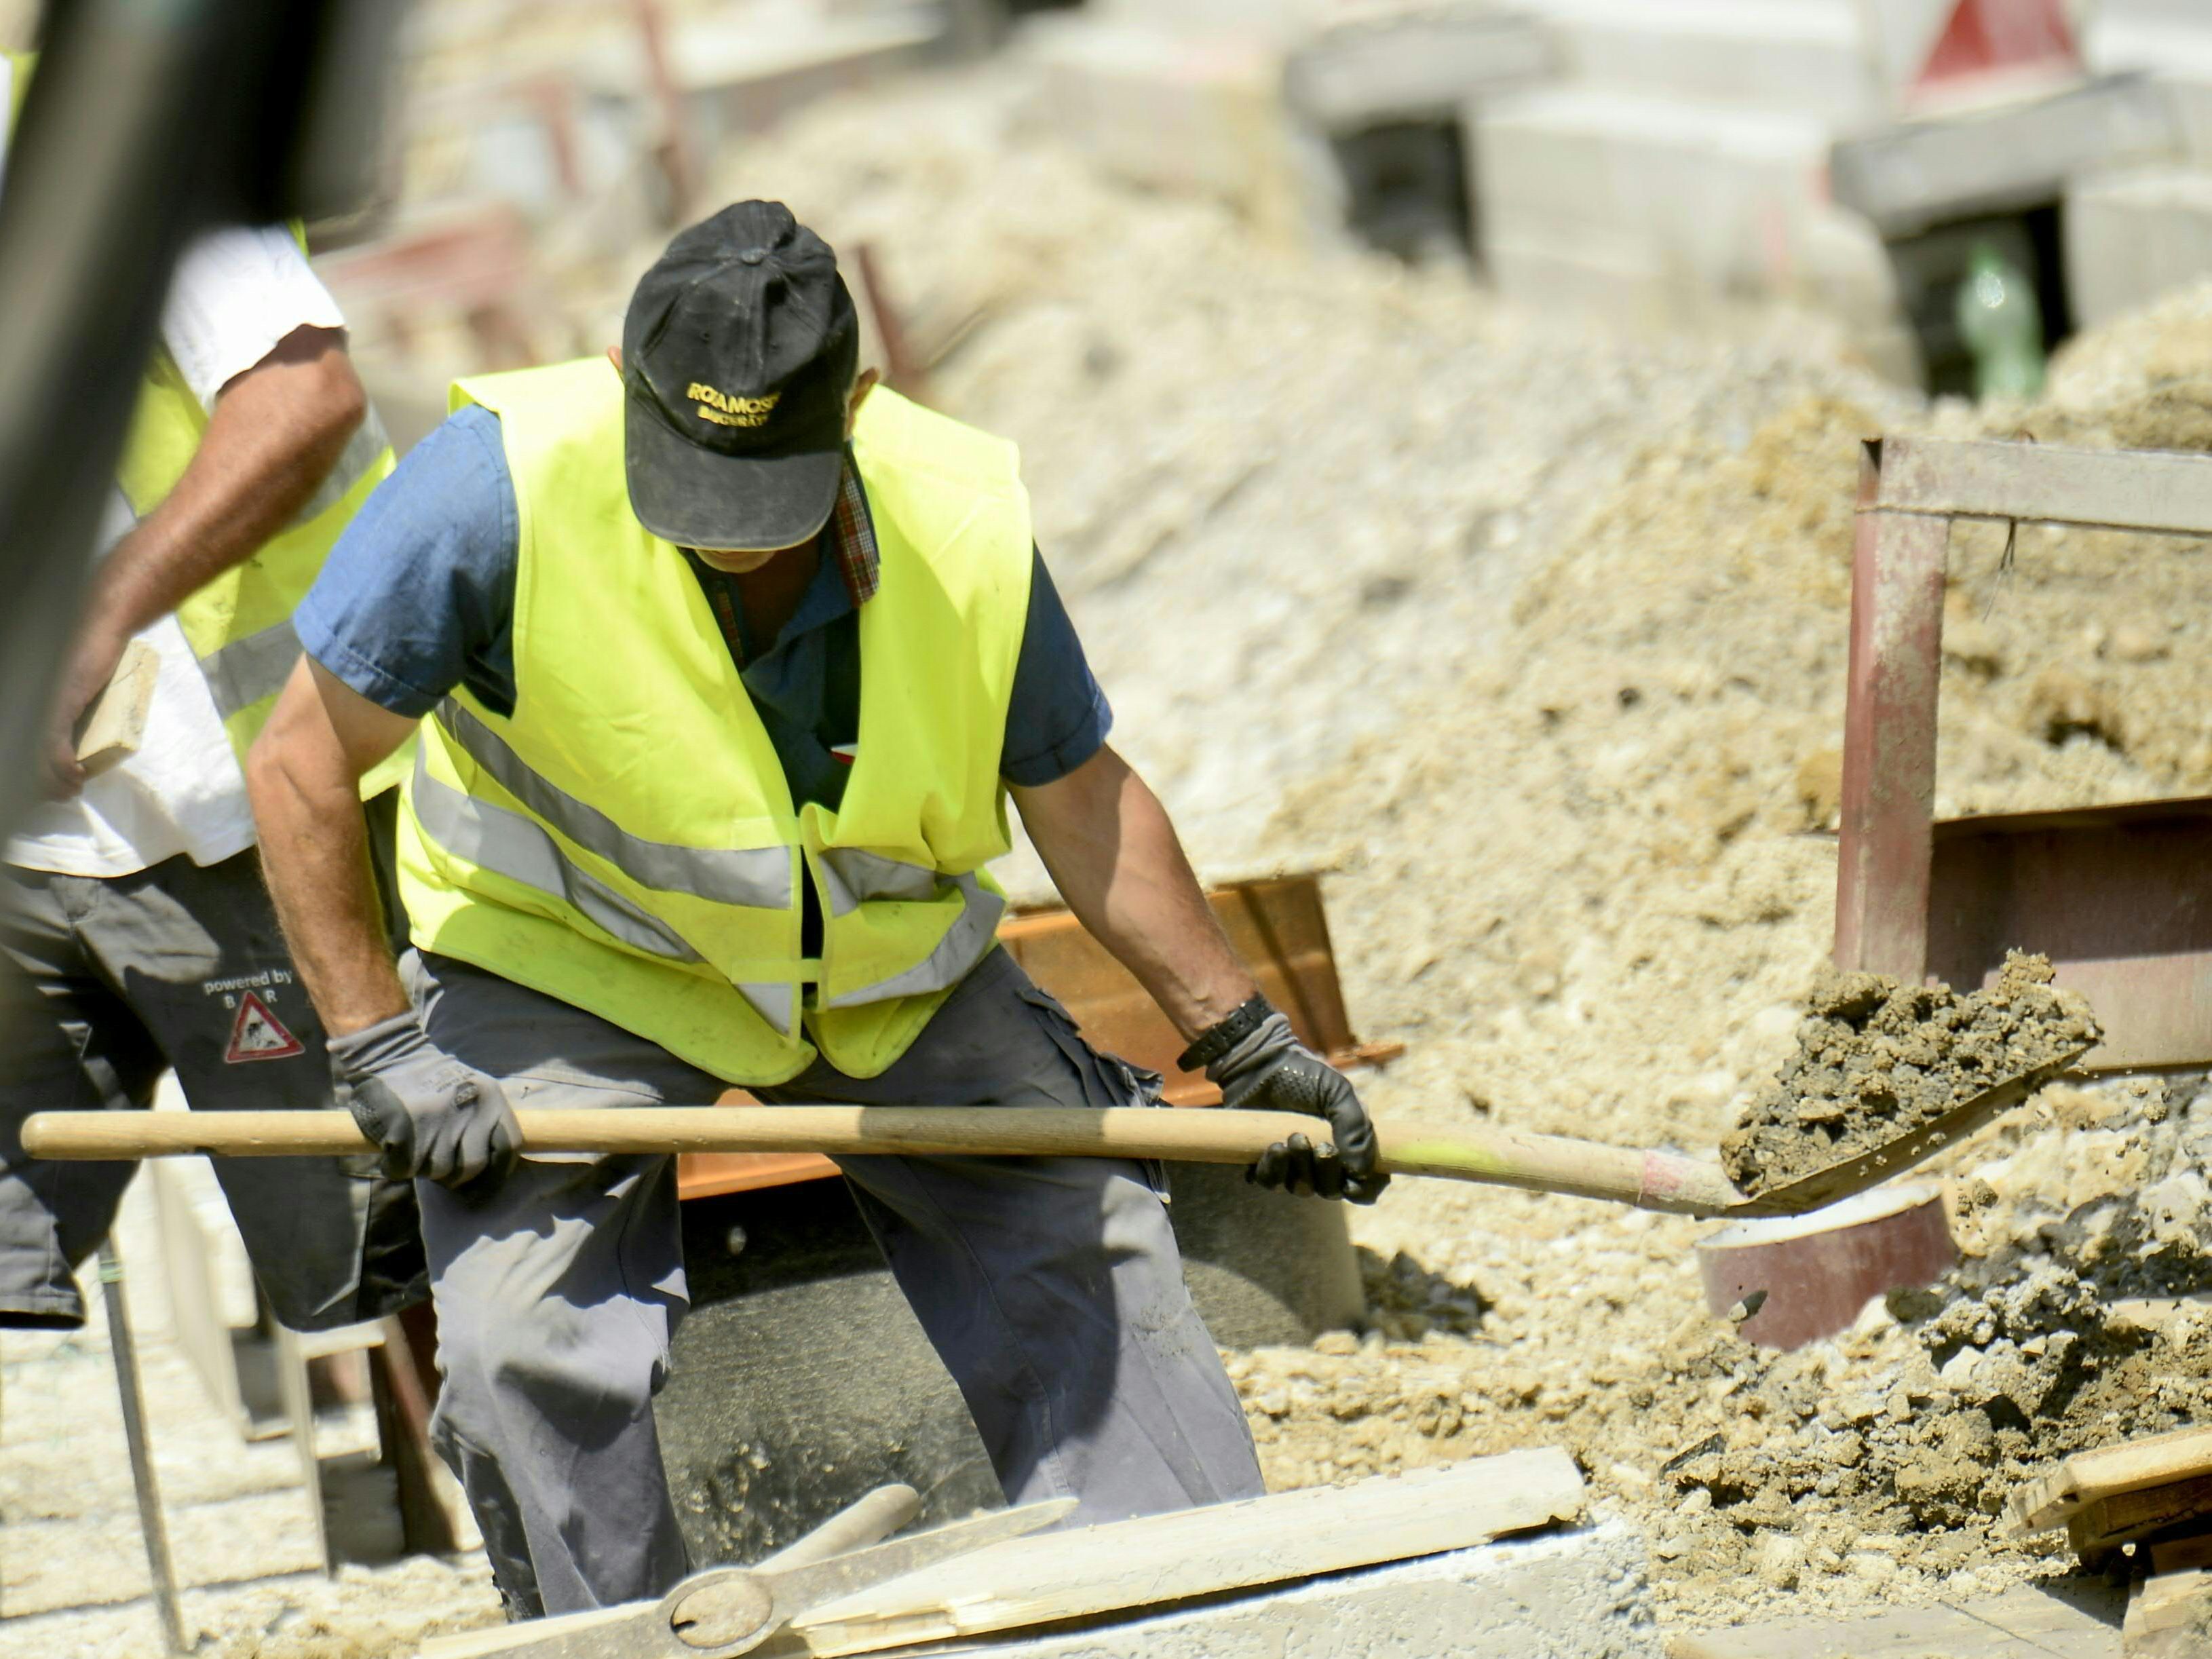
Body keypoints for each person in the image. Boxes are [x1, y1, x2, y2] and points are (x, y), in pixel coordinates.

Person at [246, 199, 1388, 1619]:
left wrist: (1245, 1035)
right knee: (516, 1340)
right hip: (572, 960)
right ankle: (617, 1648)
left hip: (880, 971)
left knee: (1083, 1232)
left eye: (767, 492)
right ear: (622, 371)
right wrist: (373, 1042)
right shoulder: (494, 484)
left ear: (853, 401)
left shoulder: (955, 519)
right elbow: (298, 758)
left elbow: (1079, 792)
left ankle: (1192, 1615)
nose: (732, 538)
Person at [0, 56, 425, 1333]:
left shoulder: (106, 145)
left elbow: (301, 396)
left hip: (246, 819)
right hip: (42, 858)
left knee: (380, 1259)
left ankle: (518, 1517)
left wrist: (93, 614)